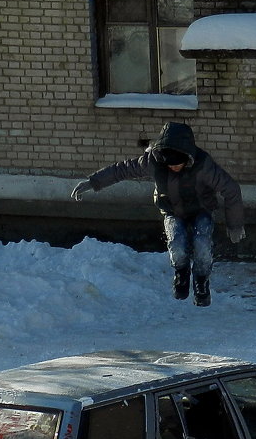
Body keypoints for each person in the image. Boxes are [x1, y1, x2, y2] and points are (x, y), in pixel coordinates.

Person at [71, 122, 245, 307]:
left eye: (178, 164)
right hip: (172, 210)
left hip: (201, 210)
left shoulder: (203, 164)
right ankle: (181, 273)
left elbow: (231, 189)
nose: (174, 168)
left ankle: (201, 281)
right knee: (176, 243)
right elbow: (122, 169)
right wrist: (93, 182)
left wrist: (235, 225)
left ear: (187, 158)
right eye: (170, 164)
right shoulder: (153, 161)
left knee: (202, 243)